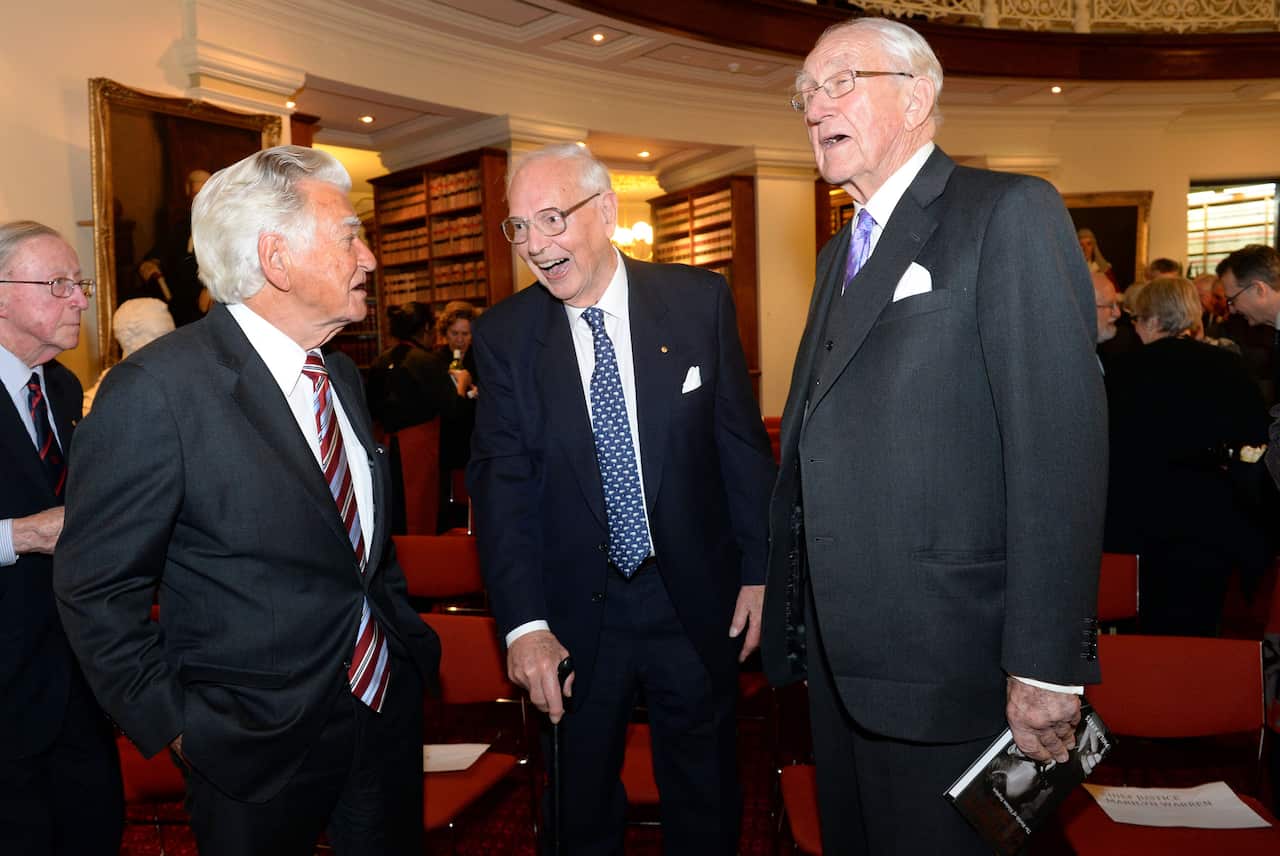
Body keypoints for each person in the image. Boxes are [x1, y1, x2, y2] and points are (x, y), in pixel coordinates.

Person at [760, 18, 1106, 855]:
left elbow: (1058, 449)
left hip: (953, 660)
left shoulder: (1008, 212)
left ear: (918, 96)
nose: (815, 106)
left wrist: (1048, 663)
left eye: (841, 82)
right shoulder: (840, 248)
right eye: (806, 91)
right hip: (840, 665)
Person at [53, 146, 441, 856]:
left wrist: (405, 646)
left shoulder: (342, 376)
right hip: (249, 748)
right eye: (351, 234)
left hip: (382, 709)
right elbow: (95, 585)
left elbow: (359, 552)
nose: (371, 259)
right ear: (277, 259)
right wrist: (177, 726)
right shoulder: (157, 392)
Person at [467, 143, 776, 854]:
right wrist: (524, 627)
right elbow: (502, 488)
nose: (536, 247)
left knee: (707, 799)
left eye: (551, 219)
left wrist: (760, 569)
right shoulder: (506, 337)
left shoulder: (699, 302)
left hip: (694, 601)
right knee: (578, 812)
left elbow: (738, 447)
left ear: (605, 212)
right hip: (573, 618)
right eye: (520, 228)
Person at [0, 221, 123, 855]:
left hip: (77, 674)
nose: (79, 298)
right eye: (58, 284)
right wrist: (17, 535)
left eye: (80, 283)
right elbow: (36, 525)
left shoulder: (64, 387)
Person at [1106, 277, 1269, 635]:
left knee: (1138, 631)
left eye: (1136, 319)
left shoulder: (1122, 372)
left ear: (1150, 319)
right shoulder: (1228, 367)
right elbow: (1256, 439)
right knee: (1199, 629)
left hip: (1137, 525)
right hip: (1210, 523)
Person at [138, 168, 214, 326]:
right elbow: (163, 251)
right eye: (195, 195)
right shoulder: (181, 226)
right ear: (189, 195)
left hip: (206, 302)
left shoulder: (222, 226)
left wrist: (213, 289)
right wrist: (152, 263)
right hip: (179, 301)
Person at [81, 296, 175, 414]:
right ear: (129, 338)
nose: (169, 346)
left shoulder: (176, 389)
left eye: (171, 337)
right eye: (159, 337)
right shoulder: (96, 403)